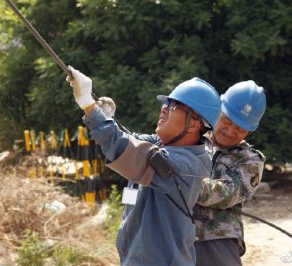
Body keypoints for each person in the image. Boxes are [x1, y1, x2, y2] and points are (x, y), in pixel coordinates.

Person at [67, 66, 221, 266]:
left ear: (193, 125)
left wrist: (89, 106)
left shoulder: (186, 164)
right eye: (167, 103)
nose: (164, 108)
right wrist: (107, 118)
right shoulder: (163, 144)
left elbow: (126, 150)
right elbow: (131, 139)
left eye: (174, 106)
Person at [193, 80, 267, 266]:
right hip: (173, 232)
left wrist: (182, 182)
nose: (231, 131)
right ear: (218, 111)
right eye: (227, 121)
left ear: (249, 131)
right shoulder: (190, 139)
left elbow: (227, 194)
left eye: (241, 128)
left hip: (217, 238)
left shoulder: (251, 160)